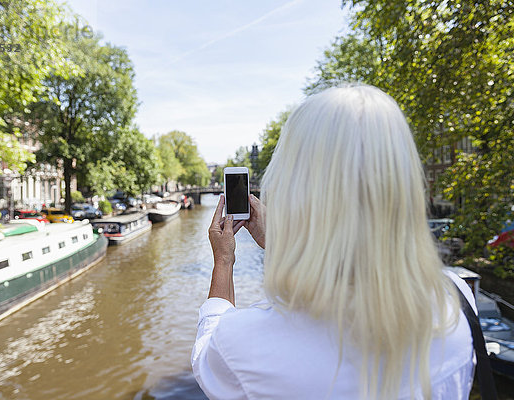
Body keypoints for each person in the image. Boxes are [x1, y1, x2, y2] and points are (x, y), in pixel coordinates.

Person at [192, 84, 475, 399]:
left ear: (296, 191)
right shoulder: (457, 306)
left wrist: (224, 261)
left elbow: (208, 350)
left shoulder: (247, 345)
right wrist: (280, 242)